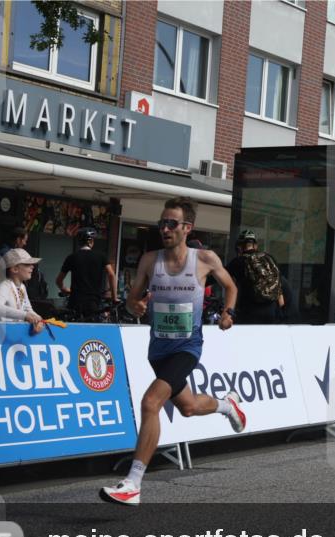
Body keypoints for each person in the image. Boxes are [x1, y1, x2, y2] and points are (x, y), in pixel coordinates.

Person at [101, 197, 245, 505]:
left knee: (150, 402)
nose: (164, 229)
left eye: (171, 224)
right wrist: (133, 304)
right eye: (161, 223)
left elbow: (230, 287)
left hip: (187, 347)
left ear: (186, 228)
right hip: (158, 349)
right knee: (189, 407)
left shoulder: (204, 258)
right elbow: (132, 300)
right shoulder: (150, 260)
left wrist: (228, 313)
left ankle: (133, 484)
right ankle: (228, 405)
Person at [56, 228, 118, 320]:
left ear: (79, 242)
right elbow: (111, 274)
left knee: (74, 329)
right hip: (93, 303)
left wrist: (64, 289)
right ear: (91, 241)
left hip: (75, 301)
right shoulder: (101, 256)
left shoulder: (72, 257)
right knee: (92, 331)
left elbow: (58, 280)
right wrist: (114, 298)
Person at [226, 230, 284, 324]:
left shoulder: (238, 261)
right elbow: (279, 286)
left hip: (249, 312)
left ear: (240, 247)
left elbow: (218, 277)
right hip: (271, 311)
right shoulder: (269, 258)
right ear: (255, 245)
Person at [0, 249, 46, 331]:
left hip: (13, 333)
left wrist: (38, 319)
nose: (32, 266)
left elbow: (28, 309)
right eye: (27, 264)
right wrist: (25, 315)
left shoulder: (22, 287)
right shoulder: (5, 286)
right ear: (14, 269)